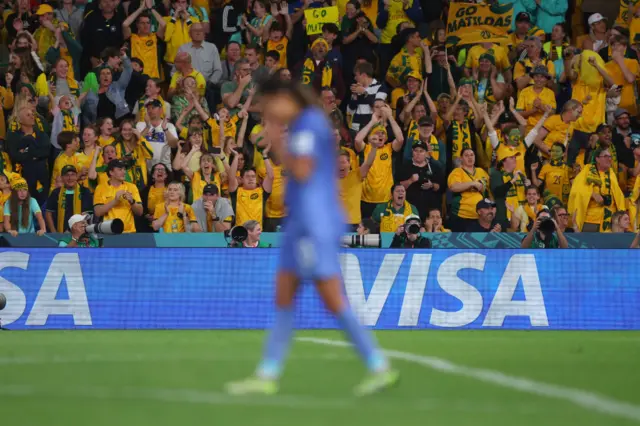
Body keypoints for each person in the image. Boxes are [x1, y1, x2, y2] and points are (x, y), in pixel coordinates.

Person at [225, 76, 398, 396]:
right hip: (298, 224)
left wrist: (275, 137)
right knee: (283, 297)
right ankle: (267, 373)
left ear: (285, 98)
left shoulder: (307, 124)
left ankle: (378, 365)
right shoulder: (302, 125)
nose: (267, 109)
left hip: (314, 225)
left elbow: (302, 170)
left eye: (269, 101)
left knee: (332, 299)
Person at [93, 159, 144, 233]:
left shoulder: (132, 187)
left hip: (129, 232)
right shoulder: (100, 188)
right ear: (111, 172)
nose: (124, 172)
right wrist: (115, 201)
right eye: (120, 169)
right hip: (108, 232)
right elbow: (98, 212)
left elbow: (140, 212)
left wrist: (132, 201)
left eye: (124, 169)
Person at [45, 165, 93, 232]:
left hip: (80, 233)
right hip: (60, 234)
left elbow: (86, 215)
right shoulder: (56, 193)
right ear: (62, 178)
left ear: (76, 176)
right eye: (67, 175)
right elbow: (48, 213)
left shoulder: (85, 191)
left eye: (73, 175)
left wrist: (72, 231)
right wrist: (54, 232)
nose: (70, 178)